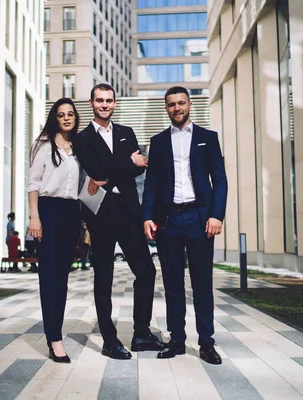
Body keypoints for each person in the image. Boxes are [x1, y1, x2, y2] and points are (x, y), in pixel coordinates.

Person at [72, 83, 165, 359]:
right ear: (91, 103)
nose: (104, 104)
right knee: (104, 277)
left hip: (128, 212)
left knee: (146, 271)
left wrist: (111, 174)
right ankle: (109, 341)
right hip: (100, 213)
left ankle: (141, 333)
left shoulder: (127, 133)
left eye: (109, 100)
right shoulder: (83, 138)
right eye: (99, 100)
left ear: (115, 103)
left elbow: (124, 172)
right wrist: (128, 164)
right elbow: (98, 169)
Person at [142, 86, 228, 365]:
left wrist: (217, 215)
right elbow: (152, 184)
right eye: (171, 104)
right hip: (168, 221)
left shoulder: (208, 138)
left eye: (181, 103)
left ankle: (206, 343)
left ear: (189, 104)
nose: (176, 108)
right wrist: (147, 216)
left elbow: (220, 179)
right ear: (165, 108)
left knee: (202, 283)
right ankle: (177, 339)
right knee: (172, 284)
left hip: (200, 219)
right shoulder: (158, 142)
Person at [27, 97, 87, 363]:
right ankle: (55, 338)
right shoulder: (44, 146)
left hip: (72, 214)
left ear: (75, 118)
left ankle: (56, 333)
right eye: (61, 114)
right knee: (49, 278)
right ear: (55, 118)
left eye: (70, 114)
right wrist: (34, 217)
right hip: (48, 211)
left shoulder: (79, 148)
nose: (66, 118)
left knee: (62, 278)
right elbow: (33, 184)